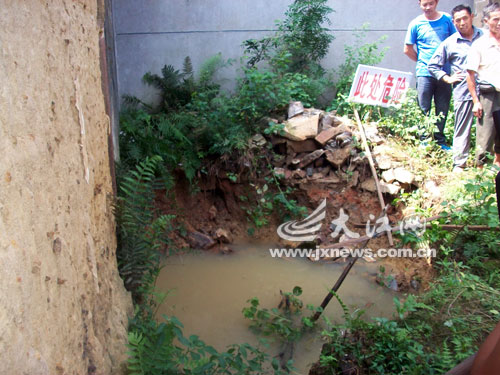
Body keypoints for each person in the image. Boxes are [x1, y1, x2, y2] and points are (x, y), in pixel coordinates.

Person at [428, 5, 483, 172]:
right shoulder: (450, 43)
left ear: (472, 17)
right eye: (457, 20)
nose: (462, 23)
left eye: (465, 18)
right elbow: (433, 65)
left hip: (488, 90)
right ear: (453, 22)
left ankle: (485, 163)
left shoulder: (485, 37)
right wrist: (448, 78)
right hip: (464, 90)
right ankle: (459, 163)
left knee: (490, 127)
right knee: (462, 127)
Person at [404, 0, 456, 149]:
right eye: (424, 4)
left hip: (444, 73)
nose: (428, 7)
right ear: (419, 4)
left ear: (436, 2)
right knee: (423, 107)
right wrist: (422, 61)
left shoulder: (447, 20)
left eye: (431, 3)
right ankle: (424, 140)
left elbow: (455, 42)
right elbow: (407, 49)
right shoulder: (416, 23)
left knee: (442, 107)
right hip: (424, 73)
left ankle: (440, 141)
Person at [466, 2, 500, 168]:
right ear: (486, 21)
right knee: (485, 138)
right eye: (496, 19)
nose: (499, 23)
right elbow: (470, 75)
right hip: (488, 96)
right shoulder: (479, 44)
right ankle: (480, 175)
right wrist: (475, 101)